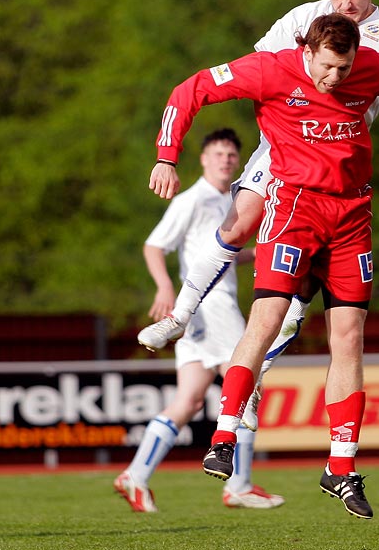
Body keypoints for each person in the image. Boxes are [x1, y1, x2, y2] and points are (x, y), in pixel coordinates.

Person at [137, 0, 379, 431]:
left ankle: (253, 380)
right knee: (239, 223)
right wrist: (168, 155)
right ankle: (181, 316)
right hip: (283, 149)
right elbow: (261, 68)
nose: (345, 6)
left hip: (338, 170)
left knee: (295, 299)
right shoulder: (305, 19)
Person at [143, 12, 379, 519]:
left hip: (353, 216)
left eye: (345, 68)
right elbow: (190, 89)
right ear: (307, 51)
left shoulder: (368, 67)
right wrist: (166, 155)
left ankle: (341, 467)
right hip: (294, 209)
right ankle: (223, 435)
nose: (336, 78)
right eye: (328, 67)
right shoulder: (269, 69)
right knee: (266, 316)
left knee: (349, 336)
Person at [114, 128, 284, 512]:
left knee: (188, 401)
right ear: (204, 158)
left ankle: (135, 475)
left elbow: (218, 251)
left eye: (230, 154)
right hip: (212, 307)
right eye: (218, 153)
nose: (225, 159)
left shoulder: (236, 197)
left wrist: (254, 254)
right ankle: (238, 484)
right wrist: (164, 289)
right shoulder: (194, 199)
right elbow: (154, 245)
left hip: (203, 313)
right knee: (248, 384)